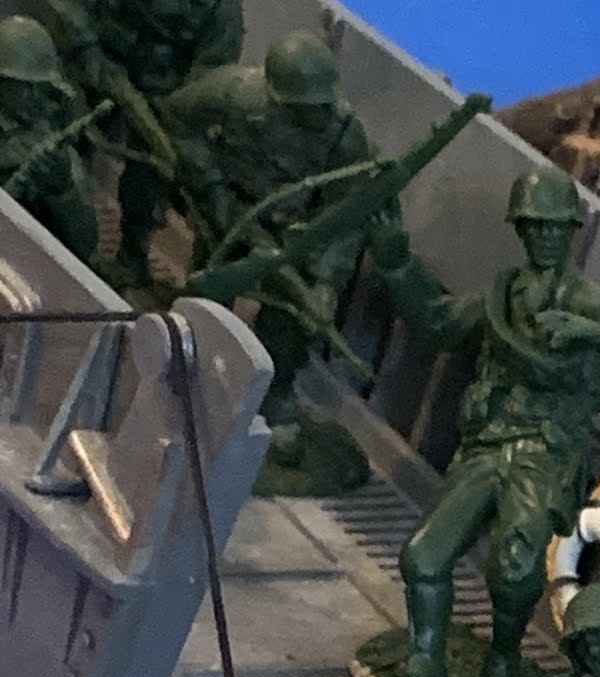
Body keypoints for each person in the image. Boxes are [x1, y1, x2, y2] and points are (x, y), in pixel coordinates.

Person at [371, 164, 600, 677]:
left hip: (545, 455)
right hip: (488, 446)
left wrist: (581, 330)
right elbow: (437, 323)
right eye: (534, 226)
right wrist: (397, 260)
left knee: (515, 567)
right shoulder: (500, 297)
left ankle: (503, 665)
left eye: (554, 227)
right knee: (424, 557)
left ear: (570, 231)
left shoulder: (585, 301)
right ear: (521, 230)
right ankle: (425, 671)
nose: (544, 236)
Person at [160, 32, 378, 448]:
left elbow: (345, 216)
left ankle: (273, 395)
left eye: (323, 104)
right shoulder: (233, 91)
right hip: (227, 213)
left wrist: (325, 280)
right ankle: (187, 361)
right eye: (307, 107)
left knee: (289, 318)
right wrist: (209, 182)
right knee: (208, 290)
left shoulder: (345, 137)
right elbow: (176, 117)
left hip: (290, 234)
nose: (320, 114)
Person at [42, 0, 244, 291]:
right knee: (63, 131)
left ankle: (131, 253)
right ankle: (55, 212)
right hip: (96, 57)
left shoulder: (221, 8)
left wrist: (176, 118)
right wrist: (86, 45)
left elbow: (210, 77)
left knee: (148, 177)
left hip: (163, 96)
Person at [0, 16, 96, 264]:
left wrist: (62, 190)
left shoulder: (51, 146)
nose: (36, 97)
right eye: (25, 85)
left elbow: (85, 243)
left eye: (42, 88)